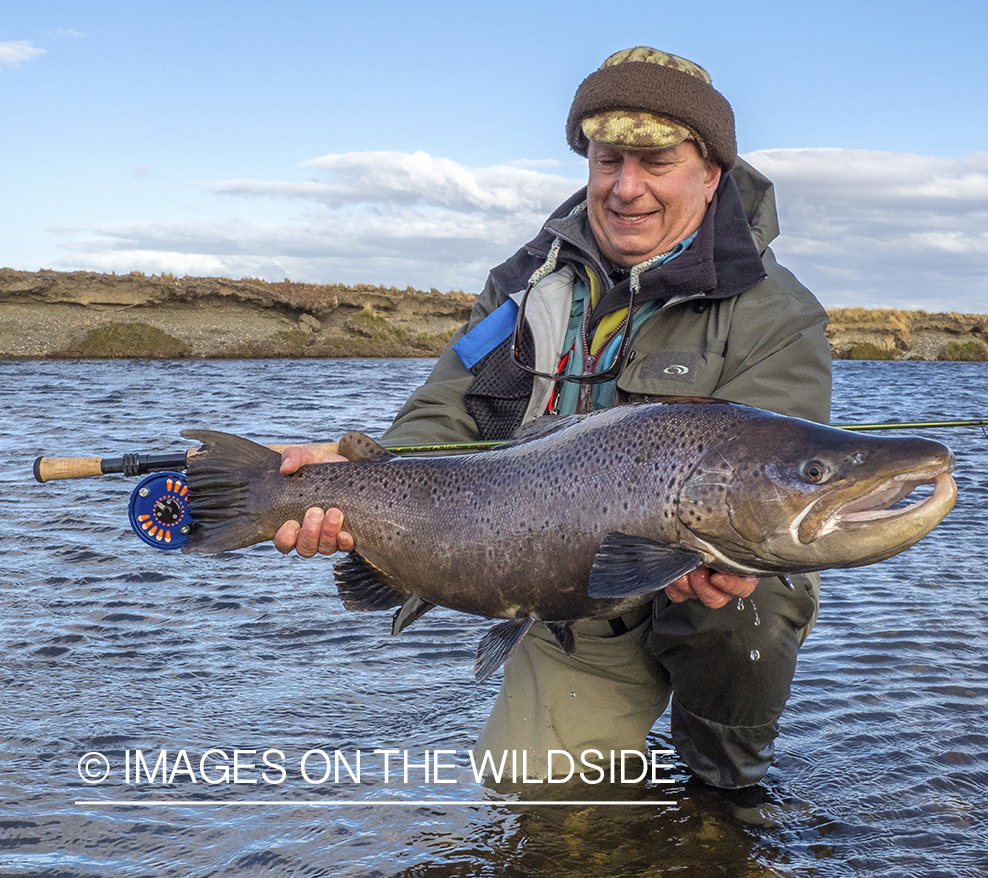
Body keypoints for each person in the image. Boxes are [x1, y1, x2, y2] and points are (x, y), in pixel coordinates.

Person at [274, 47, 831, 790]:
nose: (626, 188)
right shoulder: (522, 287)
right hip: (565, 587)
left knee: (739, 630)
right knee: (533, 797)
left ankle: (723, 783)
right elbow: (445, 419)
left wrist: (737, 563)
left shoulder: (774, 311)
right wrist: (361, 483)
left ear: (711, 172)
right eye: (607, 161)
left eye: (655, 161)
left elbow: (782, 480)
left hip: (716, 591)